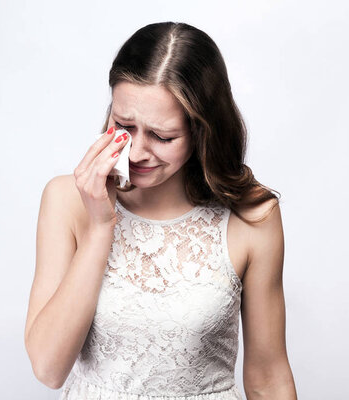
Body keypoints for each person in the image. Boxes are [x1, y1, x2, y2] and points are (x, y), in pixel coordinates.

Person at [24, 21, 297, 400]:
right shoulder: (65, 200)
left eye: (162, 136)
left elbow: (268, 376)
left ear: (203, 131)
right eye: (123, 125)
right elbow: (48, 368)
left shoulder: (253, 216)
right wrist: (100, 227)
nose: (135, 152)